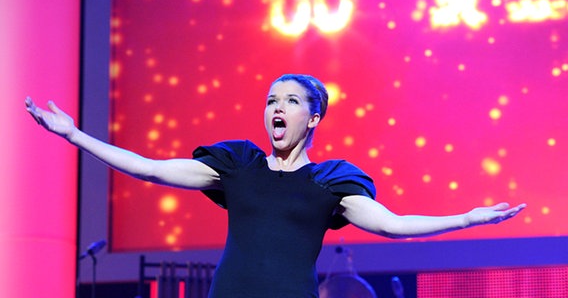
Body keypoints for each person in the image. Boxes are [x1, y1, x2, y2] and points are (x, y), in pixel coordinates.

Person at [26, 74, 525, 298]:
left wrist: (464, 218)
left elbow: (392, 226)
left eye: (289, 101)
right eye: (270, 100)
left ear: (313, 118)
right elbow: (149, 167)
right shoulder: (239, 166)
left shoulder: (332, 183)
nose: (276, 108)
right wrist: (74, 135)